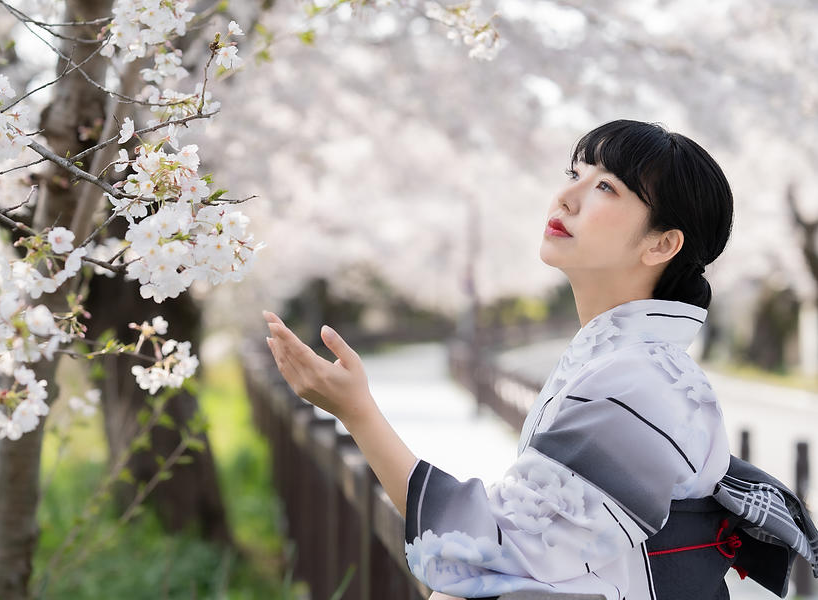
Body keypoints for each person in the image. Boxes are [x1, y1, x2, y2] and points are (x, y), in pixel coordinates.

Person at [261, 120, 813, 599]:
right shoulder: (622, 359)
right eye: (574, 173)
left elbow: (493, 547)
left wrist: (358, 413)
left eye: (605, 187)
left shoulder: (637, 381)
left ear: (661, 245)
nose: (566, 198)